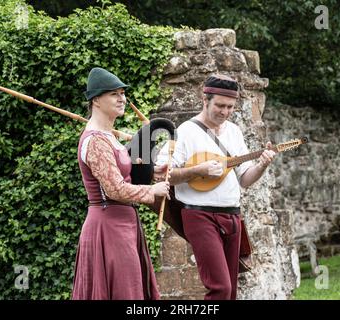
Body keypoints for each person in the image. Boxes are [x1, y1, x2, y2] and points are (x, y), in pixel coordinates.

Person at [157, 74, 276, 300]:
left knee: (231, 289)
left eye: (230, 107)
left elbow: (245, 179)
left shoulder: (234, 131)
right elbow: (165, 175)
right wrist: (197, 171)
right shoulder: (185, 132)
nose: (225, 112)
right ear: (205, 100)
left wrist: (262, 165)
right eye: (220, 105)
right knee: (220, 288)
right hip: (199, 215)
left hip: (232, 216)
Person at [72, 67, 170, 300]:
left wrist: (152, 171)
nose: (122, 98)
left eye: (123, 93)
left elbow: (122, 173)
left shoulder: (109, 136)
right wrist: (152, 191)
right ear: (96, 99)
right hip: (108, 227)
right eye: (114, 94)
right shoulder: (95, 140)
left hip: (125, 224)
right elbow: (114, 189)